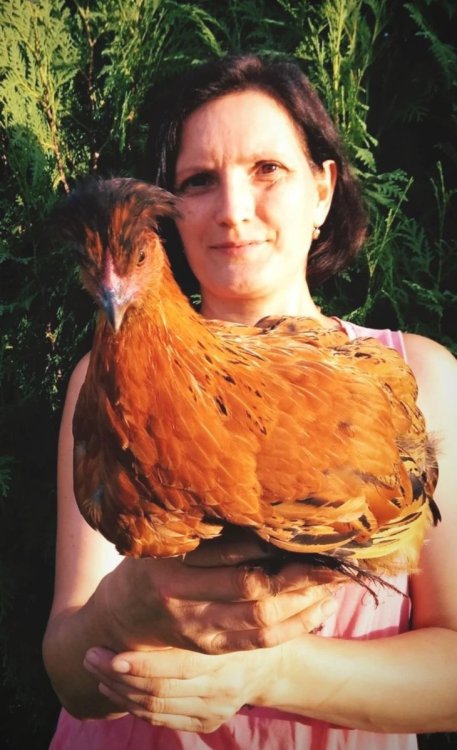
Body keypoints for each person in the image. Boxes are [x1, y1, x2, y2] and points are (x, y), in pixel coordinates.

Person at [43, 54, 457, 749]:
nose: (233, 210)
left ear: (322, 189)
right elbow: (67, 674)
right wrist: (114, 617)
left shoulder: (416, 375)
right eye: (198, 181)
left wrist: (268, 671)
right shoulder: (104, 385)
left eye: (267, 169)